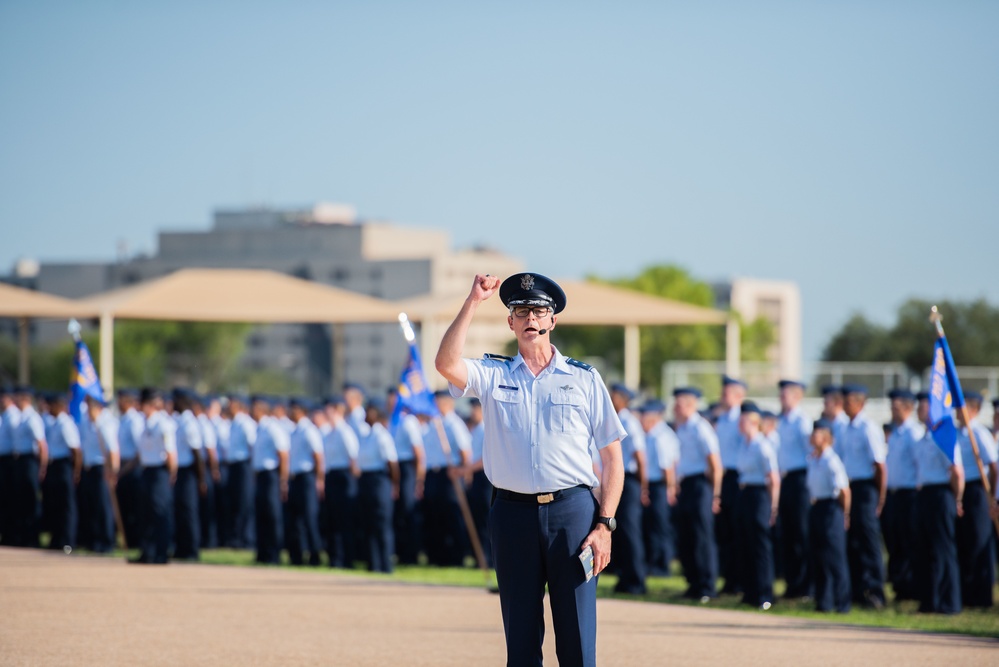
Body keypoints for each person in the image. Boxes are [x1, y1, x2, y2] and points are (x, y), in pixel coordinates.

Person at [435, 272, 625, 667]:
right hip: (512, 514)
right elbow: (446, 363)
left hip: (572, 514)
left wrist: (604, 525)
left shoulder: (584, 379)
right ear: (510, 322)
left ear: (552, 320)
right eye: (521, 311)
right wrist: (473, 301)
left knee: (576, 639)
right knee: (520, 639)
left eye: (539, 311)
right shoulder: (494, 375)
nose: (530, 319)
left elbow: (612, 459)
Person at [912, 391, 963, 614]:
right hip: (925, 495)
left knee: (943, 549)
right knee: (925, 549)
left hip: (941, 495)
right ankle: (930, 600)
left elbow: (956, 472)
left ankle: (948, 602)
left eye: (923, 407)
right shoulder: (924, 437)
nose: (919, 411)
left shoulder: (944, 436)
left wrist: (957, 498)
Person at [838, 384, 888, 608]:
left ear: (860, 403)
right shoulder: (845, 428)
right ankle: (858, 589)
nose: (844, 405)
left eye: (848, 401)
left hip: (866, 488)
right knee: (854, 541)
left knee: (869, 541)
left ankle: (876, 591)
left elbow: (880, 466)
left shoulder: (868, 428)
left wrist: (880, 497)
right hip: (850, 487)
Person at [673, 386, 721, 602]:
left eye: (680, 403)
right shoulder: (682, 428)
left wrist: (715, 494)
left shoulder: (701, 427)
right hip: (687, 484)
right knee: (687, 534)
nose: (675, 408)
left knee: (702, 536)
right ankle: (693, 582)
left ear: (691, 405)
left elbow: (715, 464)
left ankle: (707, 585)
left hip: (701, 484)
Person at [954, 391, 998, 608]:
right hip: (964, 490)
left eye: (961, 408)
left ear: (973, 409)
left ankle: (982, 596)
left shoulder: (978, 432)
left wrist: (990, 493)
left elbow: (993, 465)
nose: (956, 412)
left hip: (978, 489)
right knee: (966, 542)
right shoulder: (959, 432)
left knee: (979, 541)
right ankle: (968, 594)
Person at [736, 401, 779, 610]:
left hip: (760, 495)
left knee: (761, 546)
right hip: (746, 493)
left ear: (752, 422)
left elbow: (773, 478)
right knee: (746, 543)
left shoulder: (763, 445)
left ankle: (764, 593)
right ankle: (750, 591)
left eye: (743, 420)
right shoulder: (744, 444)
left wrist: (773, 506)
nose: (739, 423)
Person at [421, 390, 472, 566]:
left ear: (447, 403)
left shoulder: (454, 424)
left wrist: (462, 472)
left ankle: (456, 557)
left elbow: (465, 452)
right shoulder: (433, 424)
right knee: (435, 516)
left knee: (452, 516)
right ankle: (438, 556)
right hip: (433, 473)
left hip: (450, 473)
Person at [806, 419, 851, 613]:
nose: (812, 437)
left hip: (831, 508)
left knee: (835, 558)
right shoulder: (814, 458)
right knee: (820, 557)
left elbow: (844, 490)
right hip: (817, 506)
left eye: (816, 433)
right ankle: (824, 601)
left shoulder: (832, 460)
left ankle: (842, 603)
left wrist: (844, 513)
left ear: (825, 437)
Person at [609, 382, 648, 595]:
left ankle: (636, 579)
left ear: (622, 398)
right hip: (620, 478)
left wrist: (643, 487)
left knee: (631, 531)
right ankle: (626, 578)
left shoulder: (629, 422)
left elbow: (640, 457)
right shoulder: (617, 419)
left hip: (631, 479)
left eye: (613, 395)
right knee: (622, 530)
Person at [882, 388, 921, 601]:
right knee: (894, 541)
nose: (892, 411)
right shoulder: (895, 433)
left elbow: (918, 465)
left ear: (908, 408)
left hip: (909, 494)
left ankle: (910, 587)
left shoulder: (912, 433)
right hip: (894, 494)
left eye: (896, 407)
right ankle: (900, 586)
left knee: (908, 541)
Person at [776, 379, 813, 600]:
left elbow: (810, 454)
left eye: (786, 394)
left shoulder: (802, 422)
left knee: (801, 533)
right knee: (787, 534)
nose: (782, 398)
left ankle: (805, 585)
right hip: (784, 480)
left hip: (800, 479)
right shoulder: (780, 421)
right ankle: (792, 584)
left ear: (797, 396)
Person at [134, 388, 177, 564]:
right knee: (145, 513)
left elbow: (171, 453)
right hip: (147, 471)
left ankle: (161, 553)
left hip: (160, 471)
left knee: (160, 513)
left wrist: (171, 474)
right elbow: (141, 454)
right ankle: (147, 552)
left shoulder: (163, 424)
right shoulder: (145, 424)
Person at [357, 399, 400, 573]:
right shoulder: (368, 435)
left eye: (368, 411)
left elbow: (392, 463)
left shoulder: (382, 435)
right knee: (369, 523)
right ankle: (373, 563)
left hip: (379, 480)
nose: (365, 415)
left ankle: (385, 565)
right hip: (367, 480)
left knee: (382, 524)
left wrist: (394, 484)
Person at [714, 375, 747, 595]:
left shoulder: (742, 419)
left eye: (727, 392)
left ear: (738, 395)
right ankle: (729, 579)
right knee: (724, 530)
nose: (722, 396)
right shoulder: (723, 419)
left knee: (738, 530)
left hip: (737, 477)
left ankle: (739, 580)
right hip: (724, 477)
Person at [639, 399, 679, 576]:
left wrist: (670, 488)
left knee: (660, 527)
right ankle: (655, 562)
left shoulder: (661, 436)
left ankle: (662, 565)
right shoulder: (652, 434)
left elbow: (668, 467)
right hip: (654, 485)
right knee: (653, 526)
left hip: (660, 485)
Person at [321, 396, 360, 568]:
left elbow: (353, 459)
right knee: (332, 520)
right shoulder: (329, 433)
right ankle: (334, 558)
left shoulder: (345, 432)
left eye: (329, 410)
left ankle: (347, 559)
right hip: (331, 476)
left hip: (344, 477)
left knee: (345, 520)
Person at [77, 396, 119, 553]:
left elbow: (113, 451)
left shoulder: (104, 424)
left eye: (90, 407)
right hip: (90, 468)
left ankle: (107, 541)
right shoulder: (89, 424)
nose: (88, 411)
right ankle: (95, 540)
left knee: (104, 507)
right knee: (93, 505)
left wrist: (113, 472)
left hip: (102, 468)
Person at [285, 398, 324, 566]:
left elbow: (318, 456)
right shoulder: (294, 431)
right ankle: (297, 556)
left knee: (310, 518)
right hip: (295, 478)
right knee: (295, 520)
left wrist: (319, 479)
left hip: (307, 478)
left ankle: (315, 556)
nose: (289, 412)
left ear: (300, 410)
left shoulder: (309, 430)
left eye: (292, 409)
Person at [251, 396, 290, 565]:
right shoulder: (259, 429)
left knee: (272, 515)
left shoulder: (272, 427)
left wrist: (282, 480)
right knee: (262, 514)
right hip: (261, 475)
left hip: (271, 475)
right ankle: (263, 553)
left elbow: (283, 454)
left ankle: (274, 553)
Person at [391, 394, 427, 566]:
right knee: (401, 513)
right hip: (399, 467)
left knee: (409, 511)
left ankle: (411, 555)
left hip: (408, 468)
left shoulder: (409, 421)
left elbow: (419, 455)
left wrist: (419, 481)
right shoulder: (396, 421)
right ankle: (403, 553)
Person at [10, 386, 48, 547]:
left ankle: (33, 537)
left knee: (32, 500)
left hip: (30, 462)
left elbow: (41, 445)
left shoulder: (32, 418)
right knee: (22, 500)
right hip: (20, 461)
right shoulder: (21, 418)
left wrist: (42, 467)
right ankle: (24, 536)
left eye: (18, 397)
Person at [43, 393, 81, 552]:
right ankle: (57, 538)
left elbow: (76, 451)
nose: (48, 408)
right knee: (55, 503)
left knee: (67, 506)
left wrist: (76, 472)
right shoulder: (54, 423)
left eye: (51, 405)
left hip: (64, 466)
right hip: (54, 466)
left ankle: (67, 541)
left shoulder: (66, 423)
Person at [171, 389, 204, 560]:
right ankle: (181, 548)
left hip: (189, 472)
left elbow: (197, 453)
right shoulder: (179, 421)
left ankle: (191, 550)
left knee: (188, 511)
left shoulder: (189, 422)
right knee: (180, 511)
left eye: (175, 400)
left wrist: (201, 479)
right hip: (181, 471)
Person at [225, 394, 257, 549]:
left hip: (244, 466)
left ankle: (246, 538)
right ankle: (236, 537)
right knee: (236, 502)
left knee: (245, 502)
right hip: (234, 466)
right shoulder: (234, 424)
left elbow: (252, 447)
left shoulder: (245, 424)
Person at [115, 389, 145, 549]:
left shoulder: (134, 421)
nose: (118, 404)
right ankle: (128, 541)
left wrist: (124, 470)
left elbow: (139, 451)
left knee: (134, 508)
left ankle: (135, 541)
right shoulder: (124, 420)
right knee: (125, 506)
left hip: (132, 468)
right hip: (124, 466)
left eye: (120, 400)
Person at [463, 398, 491, 567]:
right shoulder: (475, 431)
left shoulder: (487, 428)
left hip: (486, 478)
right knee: (478, 519)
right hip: (476, 478)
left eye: (476, 407)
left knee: (487, 520)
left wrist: (465, 470)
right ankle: (480, 558)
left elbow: (485, 458)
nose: (473, 411)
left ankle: (488, 559)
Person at [192, 394, 220, 549]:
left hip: (205, 467)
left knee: (207, 506)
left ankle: (209, 540)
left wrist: (214, 470)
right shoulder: (197, 423)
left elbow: (211, 451)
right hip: (198, 467)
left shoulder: (204, 425)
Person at [0, 386, 20, 546]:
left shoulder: (13, 416)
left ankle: (13, 535)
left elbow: (16, 442)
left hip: (11, 461)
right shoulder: (5, 416)